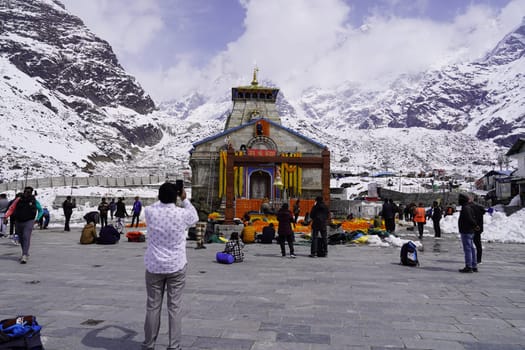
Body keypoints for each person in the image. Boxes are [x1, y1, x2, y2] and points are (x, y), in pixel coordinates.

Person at [142, 182, 198, 350]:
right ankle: (174, 346)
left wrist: (165, 197)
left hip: (154, 265)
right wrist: (184, 199)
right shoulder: (181, 214)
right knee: (174, 307)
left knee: (153, 306)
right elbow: (195, 217)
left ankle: (149, 344)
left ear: (159, 196)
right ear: (176, 196)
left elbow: (154, 205)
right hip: (176, 265)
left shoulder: (150, 212)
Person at [3, 187, 43, 264]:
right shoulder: (18, 200)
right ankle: (25, 252)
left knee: (26, 236)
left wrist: (38, 218)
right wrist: (6, 216)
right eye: (26, 191)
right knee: (21, 239)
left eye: (29, 192)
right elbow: (11, 208)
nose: (27, 193)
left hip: (29, 221)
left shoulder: (34, 201)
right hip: (18, 221)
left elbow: (40, 210)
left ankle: (24, 255)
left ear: (31, 193)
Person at [458, 193, 479, 273]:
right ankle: (474, 265)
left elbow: (469, 218)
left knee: (468, 249)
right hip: (469, 230)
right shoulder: (469, 207)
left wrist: (474, 225)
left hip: (466, 230)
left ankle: (469, 266)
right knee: (471, 248)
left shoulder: (465, 208)